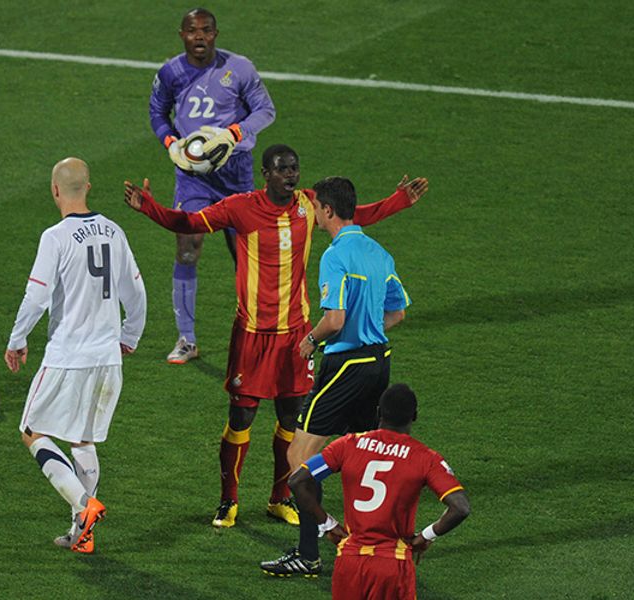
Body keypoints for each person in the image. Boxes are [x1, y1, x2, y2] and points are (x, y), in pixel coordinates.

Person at [124, 145, 426, 529]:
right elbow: (189, 223)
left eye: (295, 168)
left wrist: (399, 201)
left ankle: (280, 497)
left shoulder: (308, 205)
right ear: (265, 173)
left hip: (296, 335)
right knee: (241, 417)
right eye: (282, 169)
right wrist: (149, 207)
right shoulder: (240, 207)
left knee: (290, 418)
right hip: (252, 334)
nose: (291, 175)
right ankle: (227, 501)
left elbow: (353, 216)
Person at [261, 175, 421, 575]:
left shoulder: (335, 256)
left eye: (316, 207)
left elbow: (334, 320)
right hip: (378, 362)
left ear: (328, 211)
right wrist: (368, 330)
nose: (314, 212)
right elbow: (397, 313)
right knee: (362, 455)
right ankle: (373, 543)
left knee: (300, 456)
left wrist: (310, 341)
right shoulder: (379, 253)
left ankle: (310, 551)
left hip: (344, 366)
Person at [6, 157, 147, 554]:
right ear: (88, 187)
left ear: (55, 191)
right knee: (83, 440)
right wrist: (130, 335)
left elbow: (35, 297)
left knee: (32, 430)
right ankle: (82, 534)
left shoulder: (56, 237)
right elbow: (135, 293)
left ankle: (84, 506)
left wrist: (17, 339)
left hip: (69, 355)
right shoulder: (114, 232)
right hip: (107, 356)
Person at [149, 7, 276, 364]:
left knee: (245, 253)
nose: (200, 36)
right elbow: (157, 112)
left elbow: (265, 111)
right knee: (187, 247)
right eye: (193, 31)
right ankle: (186, 339)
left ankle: (260, 333)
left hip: (235, 173)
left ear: (216, 34)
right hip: (192, 176)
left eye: (206, 30)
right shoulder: (171, 72)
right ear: (182, 34)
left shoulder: (239, 69)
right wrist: (171, 143)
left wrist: (234, 133)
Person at [266, 384, 471, 599]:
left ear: (378, 412)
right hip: (393, 562)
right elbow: (460, 507)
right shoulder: (426, 458)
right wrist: (427, 536)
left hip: (350, 561)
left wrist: (327, 525)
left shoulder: (347, 445)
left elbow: (298, 481)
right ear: (415, 416)